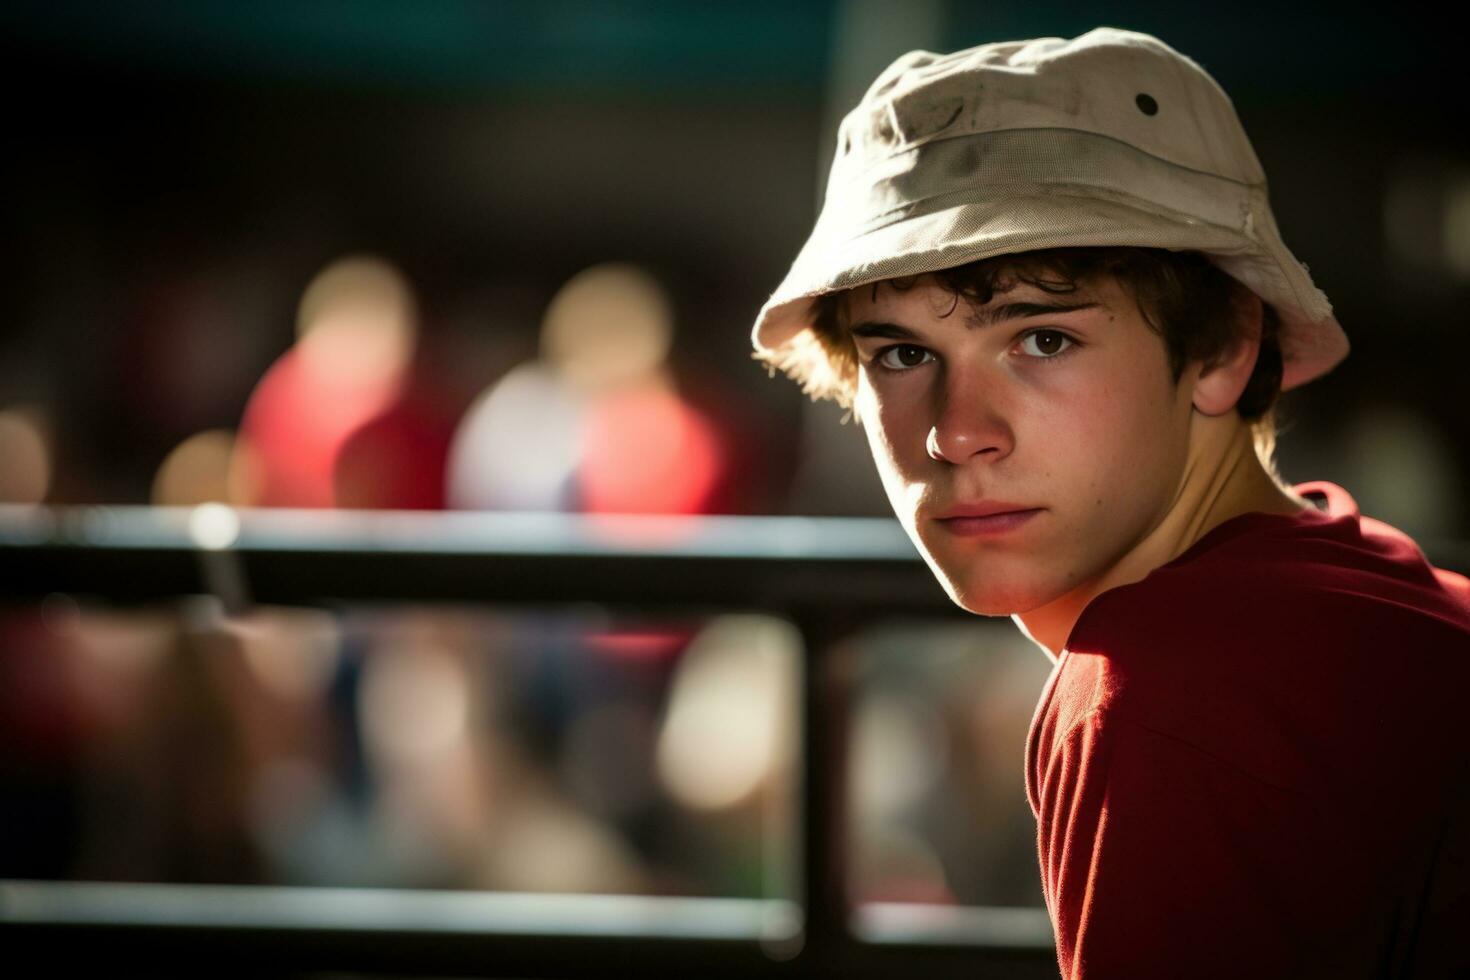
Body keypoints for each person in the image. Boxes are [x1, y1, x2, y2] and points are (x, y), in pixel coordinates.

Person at [750, 27, 1470, 978]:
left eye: (1042, 339)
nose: (956, 434)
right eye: (903, 355)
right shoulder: (1356, 579)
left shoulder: (1162, 692)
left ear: (1222, 347)